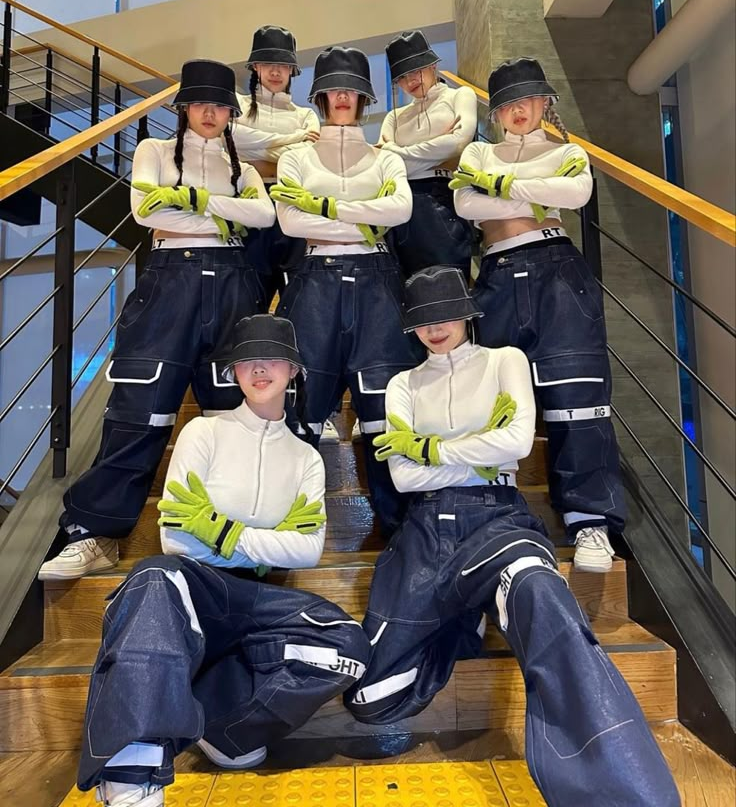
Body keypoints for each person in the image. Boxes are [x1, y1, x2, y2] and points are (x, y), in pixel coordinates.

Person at [345, 266, 680, 807]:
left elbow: (519, 443)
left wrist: (431, 449)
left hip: (498, 518)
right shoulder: (402, 384)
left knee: (546, 601)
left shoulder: (506, 361)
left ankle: (621, 791)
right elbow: (404, 478)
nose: (435, 328)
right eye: (424, 320)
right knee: (372, 698)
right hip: (425, 532)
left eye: (446, 314)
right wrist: (480, 448)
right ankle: (462, 621)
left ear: (466, 314)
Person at [75, 314, 371, 807]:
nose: (259, 369)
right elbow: (176, 540)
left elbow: (306, 550)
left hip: (257, 597)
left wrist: (220, 528)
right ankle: (130, 773)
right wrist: (266, 535)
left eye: (271, 359)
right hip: (195, 586)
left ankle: (225, 728)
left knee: (348, 643)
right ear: (233, 372)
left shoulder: (306, 458)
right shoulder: (202, 434)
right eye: (247, 361)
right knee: (153, 574)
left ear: (292, 370)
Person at [39, 60, 275, 581]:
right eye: (201, 103)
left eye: (220, 105)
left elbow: (263, 216)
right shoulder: (154, 151)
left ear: (232, 113)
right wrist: (223, 209)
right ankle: (97, 535)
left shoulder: (247, 169)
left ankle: (234, 534)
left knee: (233, 416)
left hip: (234, 282)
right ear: (184, 108)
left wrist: (190, 200)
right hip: (169, 278)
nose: (211, 113)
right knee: (138, 409)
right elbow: (147, 211)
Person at [452, 57, 625, 572]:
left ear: (546, 102)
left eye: (526, 99)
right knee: (492, 396)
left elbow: (575, 193)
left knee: (578, 398)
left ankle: (590, 522)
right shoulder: (478, 150)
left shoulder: (566, 150)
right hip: (499, 275)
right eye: (505, 103)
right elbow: (466, 205)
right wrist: (533, 187)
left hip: (558, 271)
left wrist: (501, 186)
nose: (517, 110)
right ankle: (494, 514)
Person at [271, 45, 424, 537]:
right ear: (319, 96)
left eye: (352, 90)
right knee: (302, 406)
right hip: (313, 281)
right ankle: (286, 523)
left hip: (379, 282)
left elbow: (399, 210)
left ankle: (400, 529)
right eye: (334, 89)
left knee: (384, 411)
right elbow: (292, 221)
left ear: (364, 98)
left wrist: (326, 208)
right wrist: (363, 214)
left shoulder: (386, 156)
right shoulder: (296, 155)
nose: (343, 96)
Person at [231, 25, 320, 310]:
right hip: (247, 206)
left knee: (299, 304)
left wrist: (255, 156)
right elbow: (232, 141)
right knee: (245, 302)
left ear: (292, 70)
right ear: (255, 66)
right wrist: (293, 141)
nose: (275, 71)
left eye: (283, 65)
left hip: (292, 206)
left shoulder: (306, 114)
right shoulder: (237, 107)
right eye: (268, 63)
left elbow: (307, 160)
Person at [380, 30, 476, 278]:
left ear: (432, 64)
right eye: (402, 76)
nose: (410, 80)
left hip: (443, 197)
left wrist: (400, 152)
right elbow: (385, 163)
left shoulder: (460, 95)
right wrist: (437, 147)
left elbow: (458, 143)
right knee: (406, 292)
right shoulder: (394, 116)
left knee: (451, 289)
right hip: (401, 201)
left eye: (416, 69)